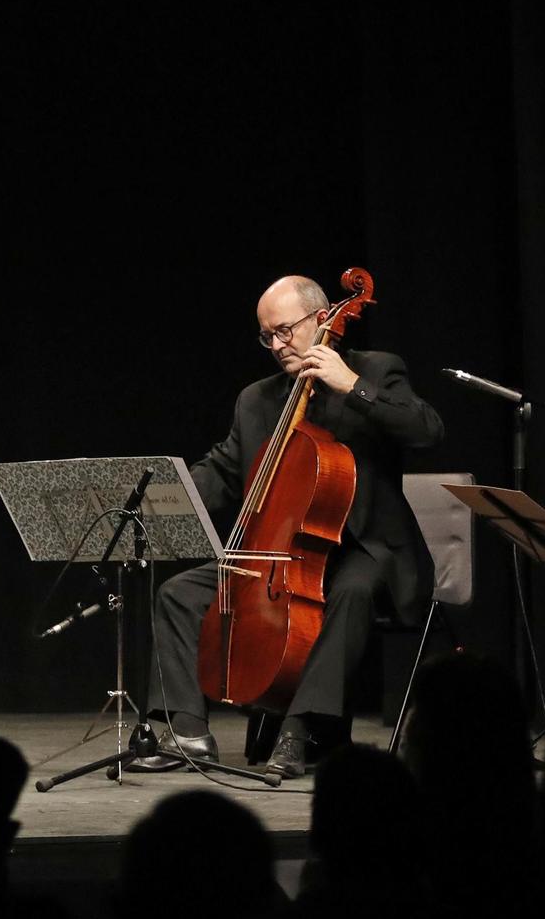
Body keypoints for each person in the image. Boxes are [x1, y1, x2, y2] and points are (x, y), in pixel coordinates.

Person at [144, 275, 444, 777]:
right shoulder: (257, 400)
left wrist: (351, 385)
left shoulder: (375, 370)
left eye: (285, 331)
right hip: (283, 555)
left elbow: (427, 430)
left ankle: (300, 730)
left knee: (350, 593)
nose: (278, 345)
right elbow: (222, 469)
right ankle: (188, 732)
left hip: (365, 550)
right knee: (179, 592)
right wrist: (156, 498)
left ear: (322, 318)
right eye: (268, 337)